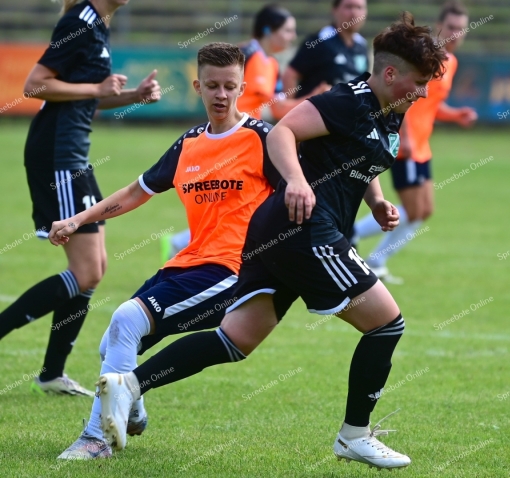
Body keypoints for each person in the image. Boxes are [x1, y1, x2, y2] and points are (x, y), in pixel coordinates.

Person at [94, 13, 446, 470]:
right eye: (417, 82)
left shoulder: (391, 109)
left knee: (236, 339)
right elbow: (284, 131)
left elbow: (358, 157)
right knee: (387, 325)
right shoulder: (346, 100)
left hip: (280, 234)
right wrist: (298, 182)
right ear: (391, 72)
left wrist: (376, 200)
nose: (422, 92)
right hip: (305, 229)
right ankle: (354, 436)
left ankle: (129, 385)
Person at [51, 42, 291, 459]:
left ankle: (95, 438)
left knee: (127, 318)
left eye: (229, 86)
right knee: (111, 344)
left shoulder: (262, 138)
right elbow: (136, 191)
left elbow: (299, 192)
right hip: (187, 262)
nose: (220, 94)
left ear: (242, 87)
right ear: (197, 86)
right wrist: (78, 220)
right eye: (212, 85)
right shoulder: (189, 144)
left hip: (232, 270)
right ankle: (134, 409)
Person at [0, 0, 161, 396]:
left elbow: (88, 99)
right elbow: (35, 84)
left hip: (71, 155)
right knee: (87, 271)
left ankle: (52, 373)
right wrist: (96, 87)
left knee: (95, 267)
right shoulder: (80, 20)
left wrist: (133, 97)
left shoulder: (98, 24)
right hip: (57, 154)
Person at [162, 4, 330, 262]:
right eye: (287, 31)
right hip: (237, 141)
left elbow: (273, 107)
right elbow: (277, 108)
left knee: (247, 204)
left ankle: (189, 244)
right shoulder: (251, 55)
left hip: (251, 141)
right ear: (267, 30)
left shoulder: (268, 61)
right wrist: (316, 100)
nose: (291, 37)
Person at [351, 1, 477, 283]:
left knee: (424, 210)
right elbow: (405, 99)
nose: (457, 33)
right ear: (440, 27)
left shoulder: (451, 63)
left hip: (422, 147)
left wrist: (456, 116)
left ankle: (376, 260)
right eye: (452, 27)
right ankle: (355, 236)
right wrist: (403, 136)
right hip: (406, 145)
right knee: (413, 210)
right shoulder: (424, 60)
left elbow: (431, 106)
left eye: (462, 29)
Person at [282, 0, 369, 97]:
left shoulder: (362, 45)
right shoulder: (319, 41)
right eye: (348, 7)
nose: (354, 13)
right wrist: (291, 108)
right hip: (317, 111)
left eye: (359, 7)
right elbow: (290, 75)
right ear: (334, 10)